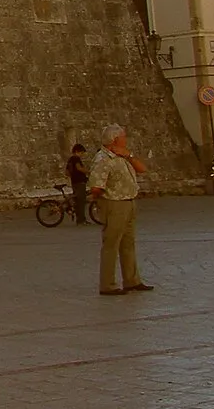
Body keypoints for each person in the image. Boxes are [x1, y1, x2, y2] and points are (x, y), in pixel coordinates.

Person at [87, 125, 154, 296]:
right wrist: (103, 199)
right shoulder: (103, 159)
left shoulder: (122, 156)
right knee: (111, 244)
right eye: (124, 136)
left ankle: (132, 280)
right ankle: (107, 284)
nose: (126, 139)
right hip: (114, 203)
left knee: (128, 243)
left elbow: (142, 169)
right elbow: (95, 186)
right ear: (115, 139)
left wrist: (129, 155)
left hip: (129, 201)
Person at [64, 143, 91, 224]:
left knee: (77, 201)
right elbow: (79, 168)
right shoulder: (76, 159)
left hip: (74, 182)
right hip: (80, 182)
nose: (82, 155)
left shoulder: (70, 160)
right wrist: (88, 172)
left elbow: (66, 172)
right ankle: (81, 220)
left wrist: (73, 176)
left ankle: (79, 219)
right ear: (77, 151)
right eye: (81, 153)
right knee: (81, 201)